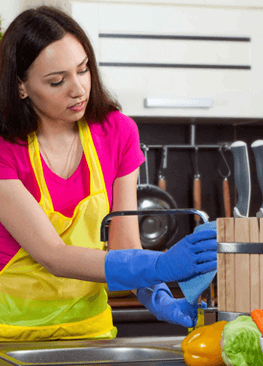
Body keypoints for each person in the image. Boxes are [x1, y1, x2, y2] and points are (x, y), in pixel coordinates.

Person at [0, 6, 217, 342]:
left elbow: (124, 245)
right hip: (10, 340)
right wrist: (162, 264)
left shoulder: (117, 132)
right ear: (20, 87)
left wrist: (156, 294)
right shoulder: (5, 148)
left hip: (93, 335)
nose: (78, 89)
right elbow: (53, 256)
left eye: (83, 70)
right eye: (57, 80)